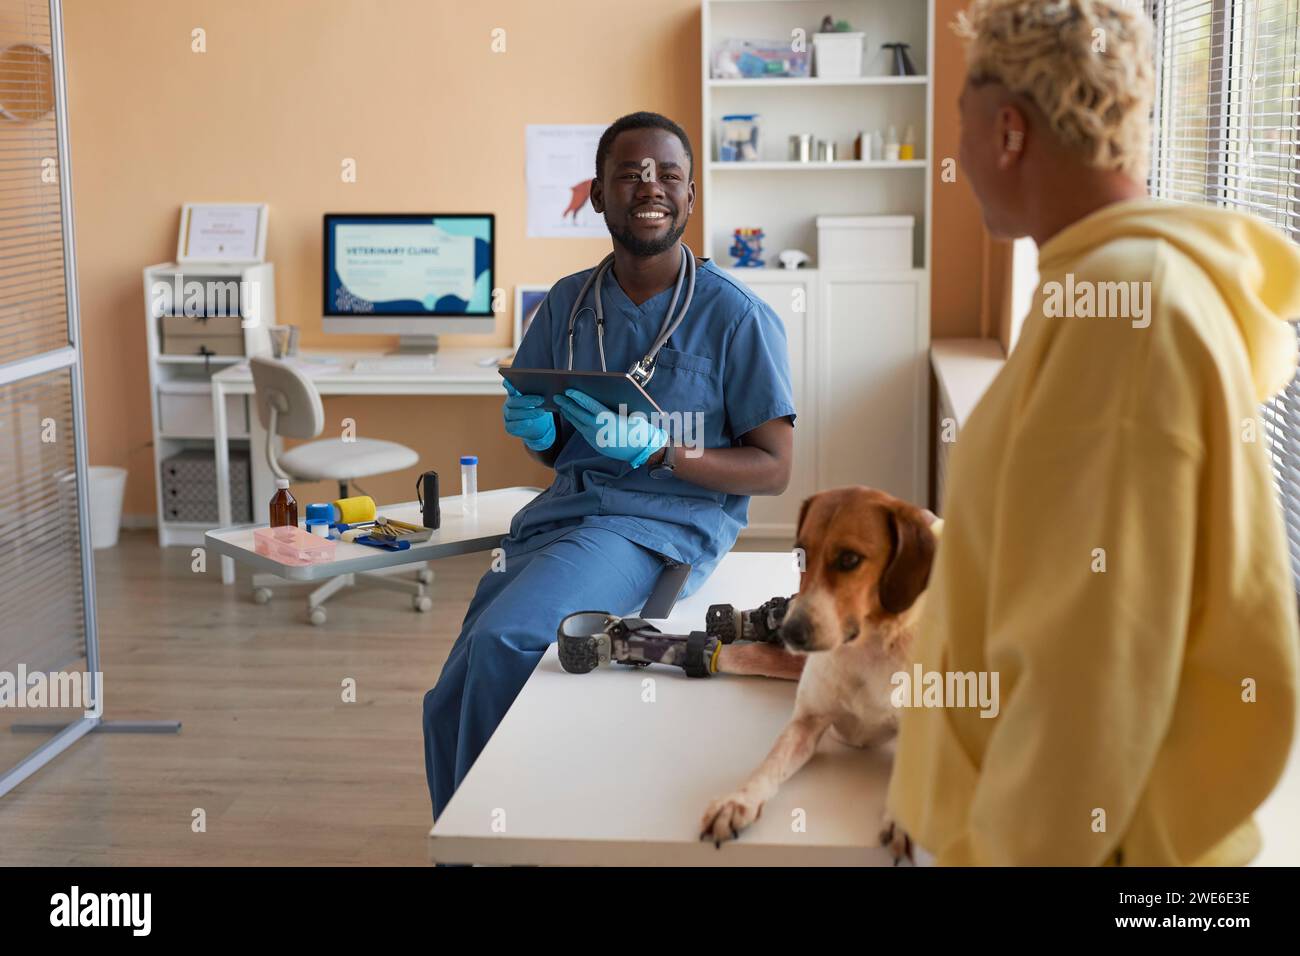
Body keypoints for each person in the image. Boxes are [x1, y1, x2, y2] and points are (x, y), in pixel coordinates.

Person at [888, 0, 1300, 865]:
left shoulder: (1127, 312)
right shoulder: (1102, 286)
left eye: (963, 126)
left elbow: (1091, 677)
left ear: (1007, 129)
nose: (959, 157)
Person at [423, 111, 796, 820]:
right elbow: (558, 447)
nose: (649, 186)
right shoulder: (564, 305)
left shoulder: (737, 317)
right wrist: (536, 434)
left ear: (690, 197)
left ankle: (505, 839)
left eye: (668, 175)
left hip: (654, 528)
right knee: (449, 696)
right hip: (560, 519)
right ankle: (467, 848)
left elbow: (773, 468)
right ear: (596, 195)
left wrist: (663, 452)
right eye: (629, 174)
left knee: (510, 642)